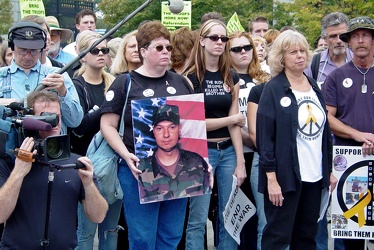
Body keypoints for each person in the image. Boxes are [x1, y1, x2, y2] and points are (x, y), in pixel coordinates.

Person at [100, 21, 198, 249]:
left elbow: (191, 126)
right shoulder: (125, 82)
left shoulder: (181, 81)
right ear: (143, 51)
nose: (166, 52)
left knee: (172, 235)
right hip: (137, 169)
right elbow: (107, 125)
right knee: (142, 237)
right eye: (159, 47)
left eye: (168, 48)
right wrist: (126, 156)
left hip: (178, 168)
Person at [256, 30, 337, 250]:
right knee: (277, 237)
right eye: (293, 52)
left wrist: (328, 169)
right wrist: (271, 179)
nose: (300, 55)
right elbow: (266, 139)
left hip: (315, 176)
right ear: (282, 57)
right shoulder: (272, 90)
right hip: (285, 178)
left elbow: (324, 133)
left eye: (303, 50)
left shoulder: (314, 87)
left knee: (307, 237)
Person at [0, 91, 108, 249]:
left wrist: (89, 185)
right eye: (46, 117)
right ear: (29, 121)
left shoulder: (75, 162)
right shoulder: (10, 162)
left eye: (57, 116)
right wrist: (18, 172)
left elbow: (98, 216)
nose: (54, 122)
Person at [183, 19, 246, 250]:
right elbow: (193, 124)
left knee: (228, 216)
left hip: (228, 150)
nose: (220, 42)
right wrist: (231, 119)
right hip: (201, 151)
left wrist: (241, 161)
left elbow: (235, 123)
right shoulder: (189, 77)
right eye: (214, 37)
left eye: (223, 38)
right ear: (202, 40)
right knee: (197, 218)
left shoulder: (231, 75)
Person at [322, 16, 374, 250]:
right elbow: (327, 117)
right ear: (349, 42)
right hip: (347, 160)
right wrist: (356, 134)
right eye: (355, 36)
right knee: (352, 231)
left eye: (365, 35)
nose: (360, 40)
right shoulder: (336, 77)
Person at [68, 30, 120, 250]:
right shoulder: (76, 85)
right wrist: (106, 108)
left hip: (113, 161)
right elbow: (79, 126)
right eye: (94, 50)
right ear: (82, 56)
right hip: (86, 163)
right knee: (86, 231)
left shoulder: (115, 83)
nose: (101, 54)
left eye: (104, 50)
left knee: (110, 229)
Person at [0, 21, 83, 134]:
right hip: (11, 148)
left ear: (42, 48)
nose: (28, 56)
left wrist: (63, 93)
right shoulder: (1, 76)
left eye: (34, 51)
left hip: (51, 148)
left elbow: (75, 121)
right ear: (12, 46)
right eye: (23, 50)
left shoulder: (58, 76)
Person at [228, 30, 270, 250]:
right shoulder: (226, 80)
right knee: (243, 218)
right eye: (236, 49)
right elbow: (226, 118)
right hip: (236, 154)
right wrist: (248, 138)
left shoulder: (265, 79)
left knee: (263, 216)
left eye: (247, 47)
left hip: (262, 154)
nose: (243, 52)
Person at [138, 104, 210, 203]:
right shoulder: (141, 167)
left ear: (179, 129)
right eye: (159, 128)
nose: (166, 134)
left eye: (172, 127)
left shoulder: (197, 162)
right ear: (153, 131)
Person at [305, 12, 353, 88]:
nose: (339, 41)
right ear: (325, 39)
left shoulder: (359, 61)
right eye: (333, 36)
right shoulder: (313, 64)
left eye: (342, 35)